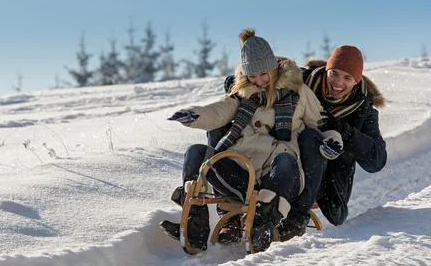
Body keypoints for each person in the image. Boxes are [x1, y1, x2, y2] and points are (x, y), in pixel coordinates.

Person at [160, 29, 339, 253]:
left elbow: (321, 125)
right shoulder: (243, 93)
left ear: (273, 66)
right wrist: (194, 115)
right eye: (252, 76)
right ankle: (195, 225)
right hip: (242, 173)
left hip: (279, 175)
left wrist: (333, 139)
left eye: (263, 74)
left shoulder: (299, 92)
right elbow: (218, 111)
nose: (259, 80)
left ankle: (262, 225)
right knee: (196, 153)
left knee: (285, 160)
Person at [272, 45, 387, 240]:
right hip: (280, 159)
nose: (338, 83)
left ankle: (296, 219)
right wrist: (237, 82)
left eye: (347, 78)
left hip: (323, 178)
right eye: (334, 73)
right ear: (327, 70)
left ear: (356, 81)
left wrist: (345, 130)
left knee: (311, 138)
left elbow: (377, 161)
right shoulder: (301, 81)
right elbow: (260, 76)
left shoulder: (362, 110)